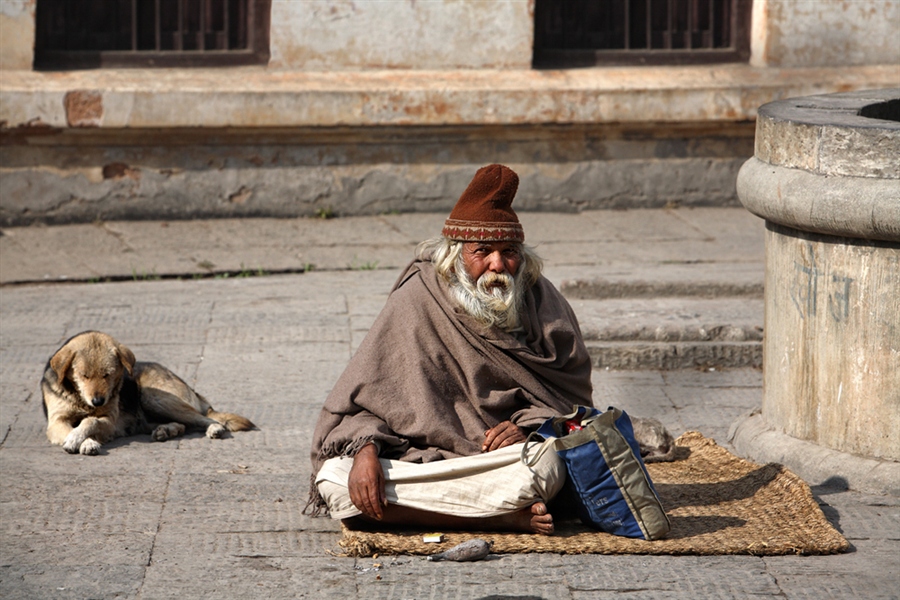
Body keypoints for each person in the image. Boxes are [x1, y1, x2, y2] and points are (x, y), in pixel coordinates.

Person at [305, 164, 593, 534]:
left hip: (502, 463)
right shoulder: (417, 300)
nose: (498, 266)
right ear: (454, 256)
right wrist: (365, 451)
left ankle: (463, 512)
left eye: (509, 252)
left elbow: (576, 408)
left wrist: (531, 429)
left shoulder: (543, 303)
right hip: (421, 462)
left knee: (547, 464)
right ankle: (502, 517)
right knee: (335, 479)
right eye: (482, 252)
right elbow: (362, 399)